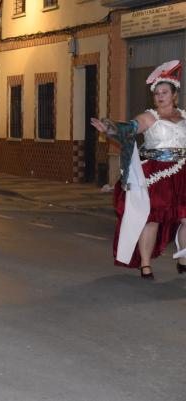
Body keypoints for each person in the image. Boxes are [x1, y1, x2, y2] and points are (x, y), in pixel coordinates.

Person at [91, 60, 186, 279]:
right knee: (151, 219)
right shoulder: (149, 117)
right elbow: (129, 128)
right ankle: (145, 264)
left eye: (164, 92)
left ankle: (182, 257)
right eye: (157, 93)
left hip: (182, 173)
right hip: (157, 174)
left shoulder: (184, 117)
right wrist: (110, 127)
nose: (160, 96)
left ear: (174, 95)